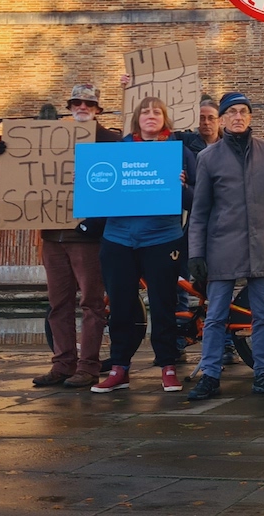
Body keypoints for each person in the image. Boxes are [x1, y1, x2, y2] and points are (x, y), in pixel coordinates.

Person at [186, 91, 264, 401]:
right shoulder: (208, 157)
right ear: (223, 119)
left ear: (251, 116)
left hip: (262, 246)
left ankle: (263, 372)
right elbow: (199, 212)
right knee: (216, 316)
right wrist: (196, 253)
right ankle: (210, 375)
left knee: (263, 315)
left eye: (243, 111)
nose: (238, 117)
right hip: (222, 247)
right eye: (232, 112)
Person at [92, 96, 196, 393]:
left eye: (157, 112)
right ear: (136, 118)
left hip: (162, 238)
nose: (151, 116)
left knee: (164, 305)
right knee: (120, 306)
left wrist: (182, 187)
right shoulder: (118, 150)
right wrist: (86, 181)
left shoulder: (180, 152)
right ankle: (119, 368)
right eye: (145, 112)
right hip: (119, 239)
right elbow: (100, 189)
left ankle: (167, 365)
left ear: (165, 119)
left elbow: (197, 198)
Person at [32, 83, 120, 389]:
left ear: (97, 109)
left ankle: (88, 366)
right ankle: (63, 363)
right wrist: (7, 154)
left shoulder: (111, 141)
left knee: (92, 303)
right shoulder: (49, 140)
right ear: (69, 107)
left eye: (89, 104)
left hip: (87, 237)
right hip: (52, 234)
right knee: (58, 304)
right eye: (77, 103)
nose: (82, 107)